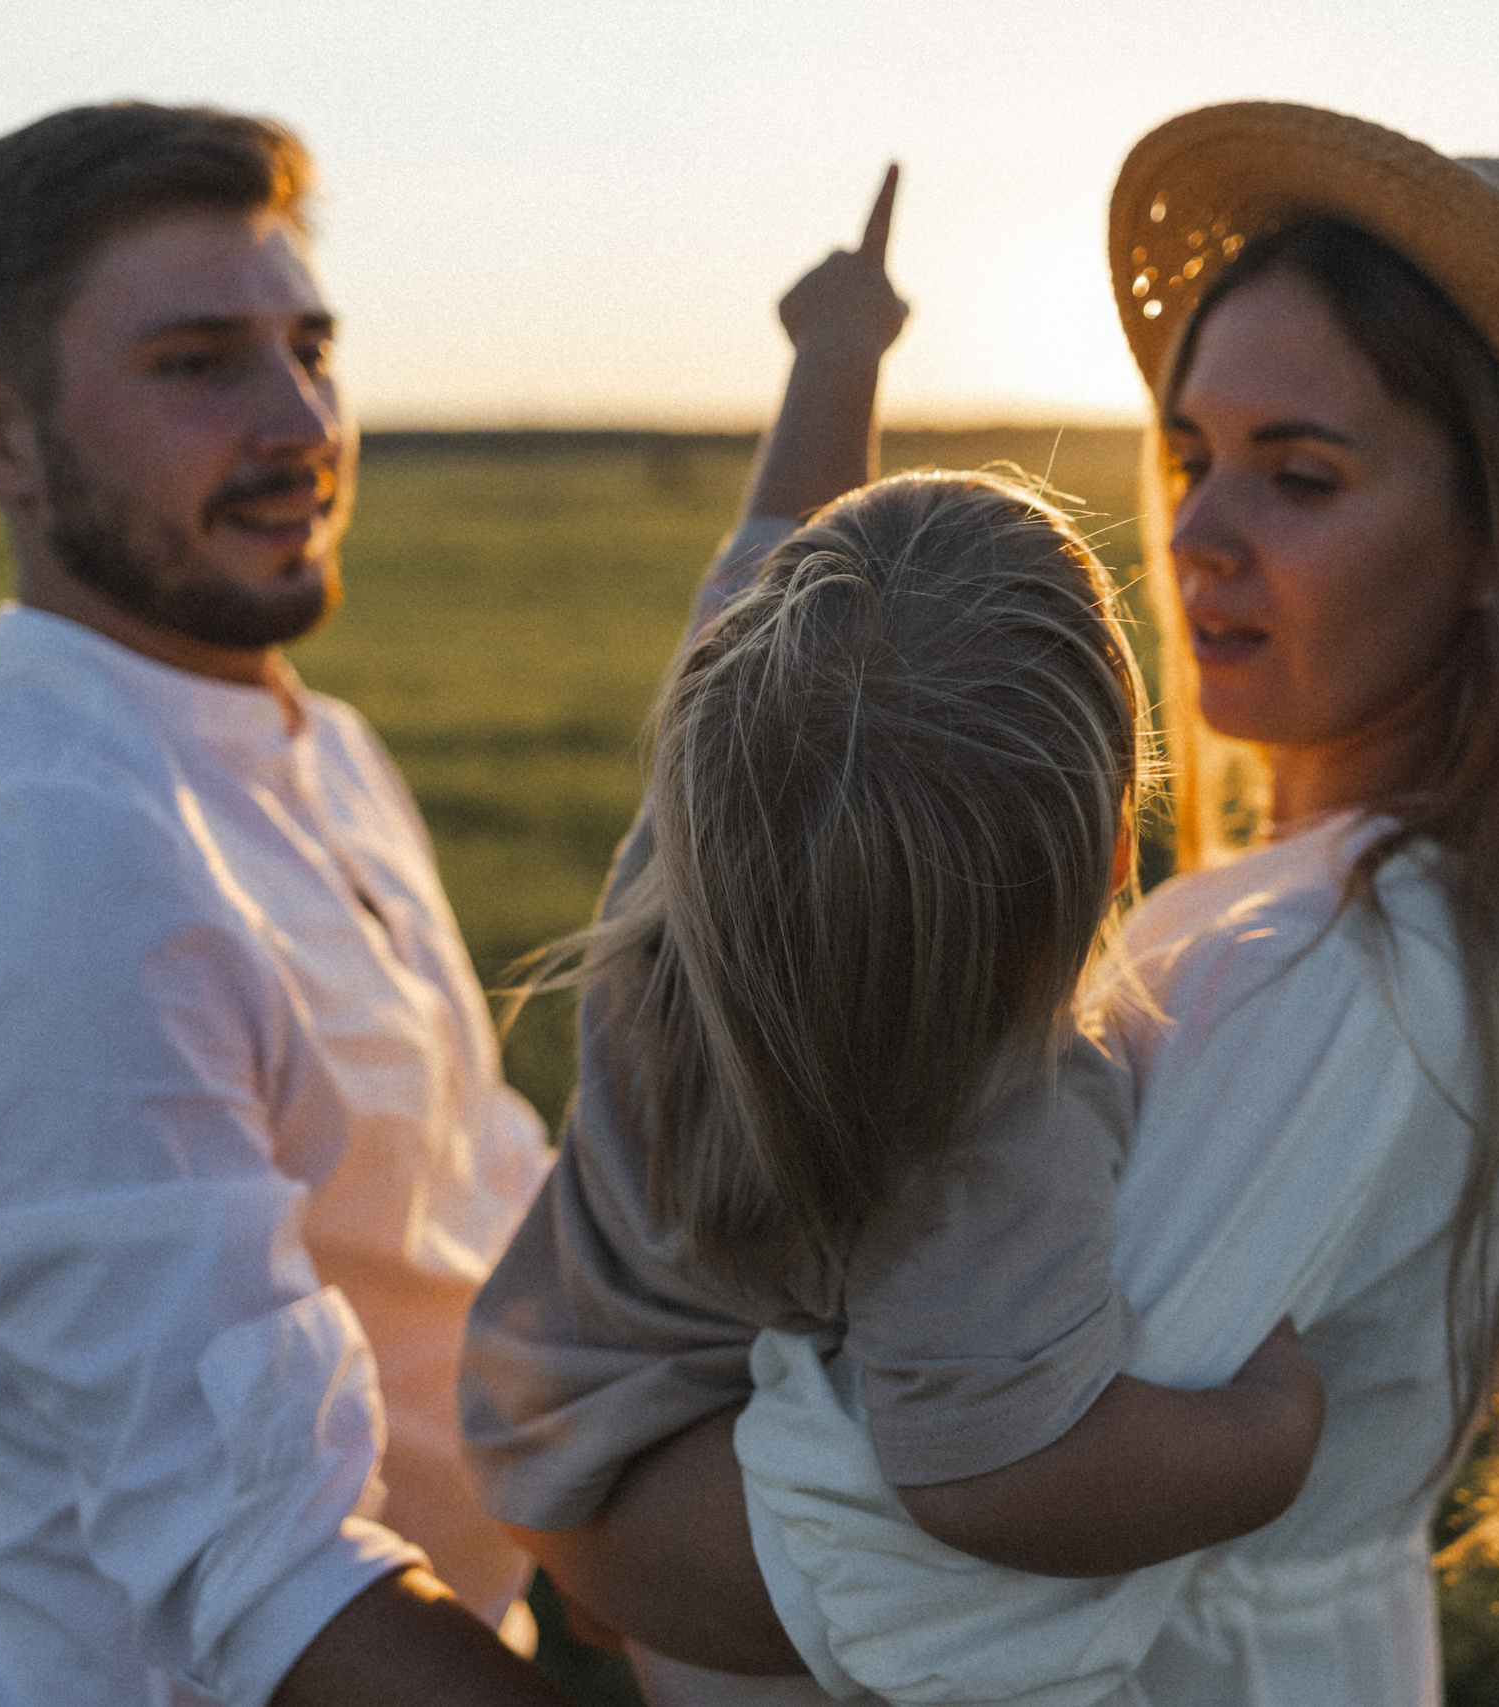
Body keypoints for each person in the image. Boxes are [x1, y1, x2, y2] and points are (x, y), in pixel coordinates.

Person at [522, 103, 1499, 1707]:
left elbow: (945, 1573)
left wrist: (584, 1522)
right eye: (1188, 457)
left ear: (1497, 542)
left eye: (1297, 476)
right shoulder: (1298, 917)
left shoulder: (1310, 967)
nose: (1198, 534)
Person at [458, 172, 1328, 1705]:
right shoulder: (991, 1128)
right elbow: (989, 1478)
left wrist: (839, 344)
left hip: (558, 1413)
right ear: (1116, 843)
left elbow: (777, 528)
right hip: (718, 1549)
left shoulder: (700, 855)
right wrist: (1266, 1440)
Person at [0, 102, 565, 1707]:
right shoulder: (46, 863)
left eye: (312, 346)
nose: (301, 415)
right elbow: (273, 1588)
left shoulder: (324, 749)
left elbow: (494, 1233)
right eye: (199, 363)